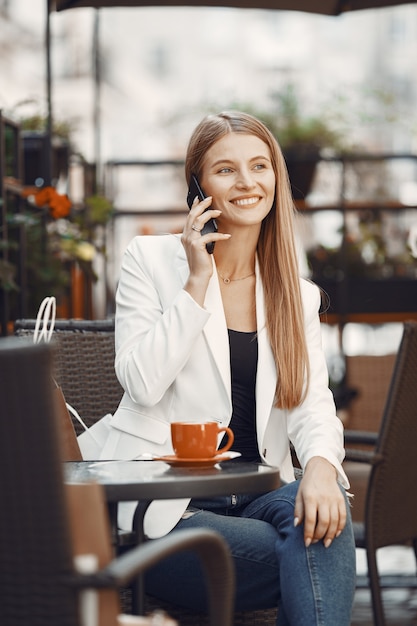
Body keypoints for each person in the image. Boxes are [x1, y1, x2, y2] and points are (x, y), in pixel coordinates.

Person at [101, 111, 356, 625]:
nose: (247, 182)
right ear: (197, 186)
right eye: (226, 170)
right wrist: (196, 283)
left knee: (324, 513)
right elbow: (142, 384)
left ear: (276, 178)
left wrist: (323, 471)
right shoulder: (149, 261)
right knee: (315, 545)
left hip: (257, 498)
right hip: (167, 510)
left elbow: (312, 405)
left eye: (260, 166)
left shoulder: (295, 294)